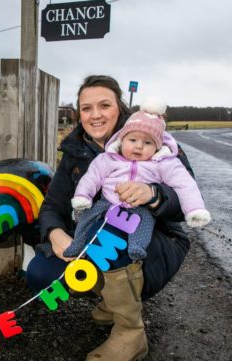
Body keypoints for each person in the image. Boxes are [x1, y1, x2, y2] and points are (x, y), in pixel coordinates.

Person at [26, 75, 196, 361]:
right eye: (86, 108)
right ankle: (110, 300)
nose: (95, 115)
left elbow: (188, 199)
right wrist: (55, 235)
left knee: (118, 225)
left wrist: (154, 195)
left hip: (153, 242)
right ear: (78, 113)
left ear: (120, 108)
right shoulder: (74, 152)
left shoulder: (153, 138)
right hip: (95, 234)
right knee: (41, 273)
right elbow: (52, 205)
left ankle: (131, 331)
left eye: (104, 105)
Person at [65, 96, 210, 261]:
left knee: (145, 222)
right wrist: (83, 196)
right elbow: (91, 178)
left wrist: (194, 210)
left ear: (157, 147)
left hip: (141, 206)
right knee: (86, 217)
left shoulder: (164, 163)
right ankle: (77, 243)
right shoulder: (108, 159)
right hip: (108, 202)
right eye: (132, 140)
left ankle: (137, 247)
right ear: (122, 140)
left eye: (148, 143)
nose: (139, 146)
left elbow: (185, 185)